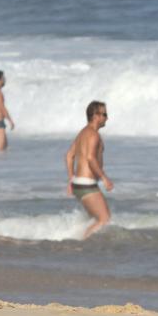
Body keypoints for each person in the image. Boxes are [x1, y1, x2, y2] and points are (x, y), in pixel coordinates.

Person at [65, 101, 114, 239]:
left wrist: (71, 179)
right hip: (87, 184)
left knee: (95, 218)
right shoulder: (93, 135)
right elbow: (91, 158)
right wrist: (104, 178)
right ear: (95, 116)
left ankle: (76, 239)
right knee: (104, 219)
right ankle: (82, 244)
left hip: (79, 184)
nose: (107, 118)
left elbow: (69, 156)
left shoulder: (82, 133)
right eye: (104, 114)